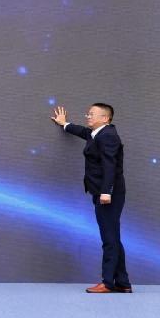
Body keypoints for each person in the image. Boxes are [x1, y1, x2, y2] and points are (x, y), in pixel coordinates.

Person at [51, 104, 130, 293]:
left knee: (109, 239)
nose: (88, 116)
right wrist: (64, 124)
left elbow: (110, 166)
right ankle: (122, 282)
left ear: (105, 118)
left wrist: (106, 192)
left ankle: (108, 283)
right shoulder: (99, 134)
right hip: (102, 193)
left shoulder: (108, 136)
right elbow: (84, 132)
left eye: (92, 114)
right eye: (88, 113)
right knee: (113, 237)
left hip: (108, 195)